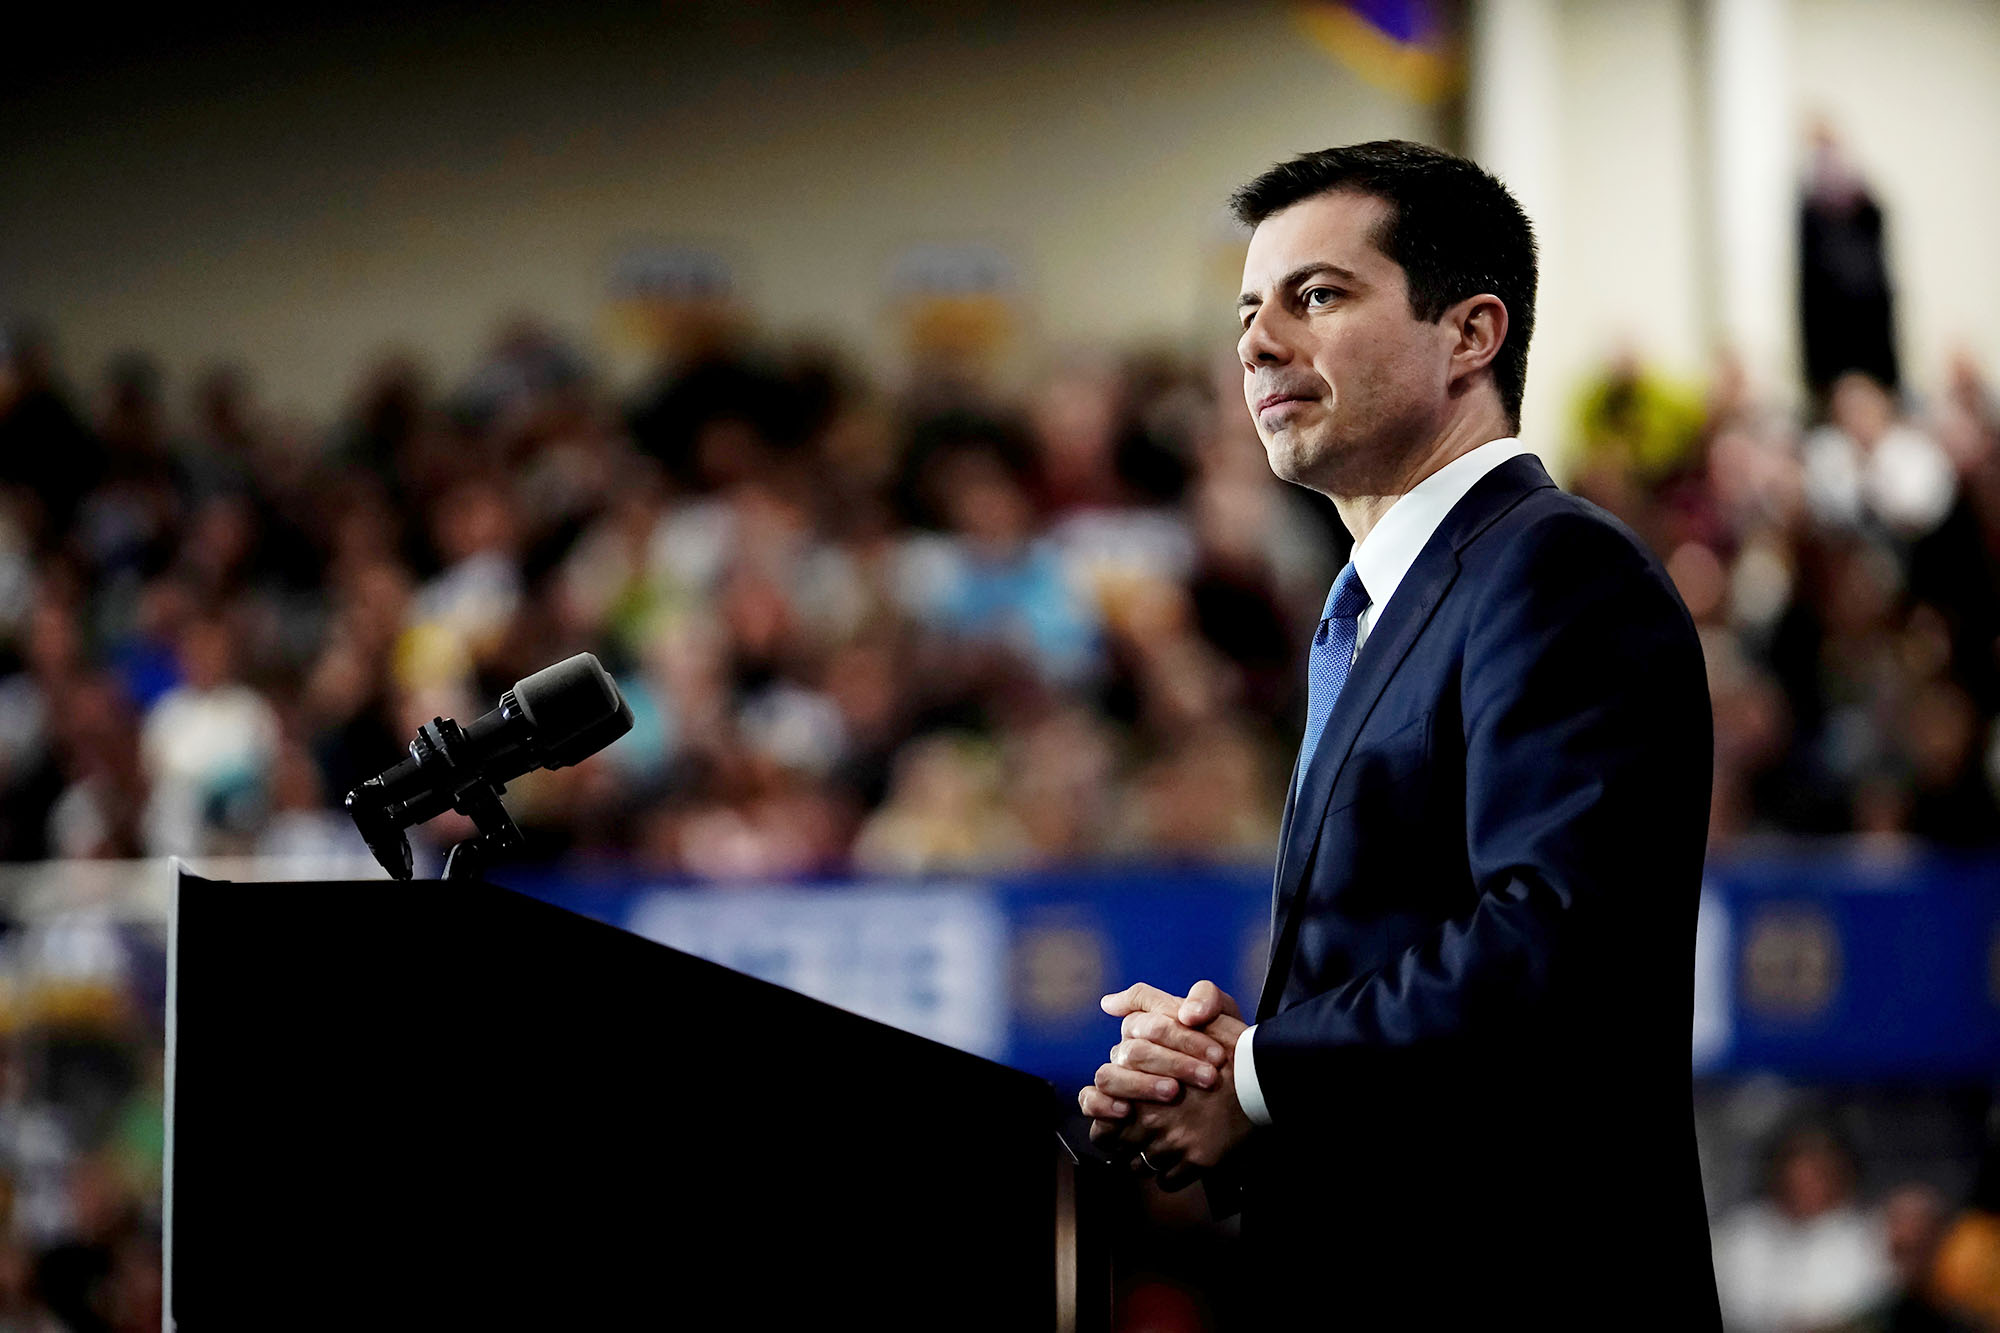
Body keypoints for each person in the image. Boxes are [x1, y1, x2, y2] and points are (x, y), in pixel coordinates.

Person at [1075, 141, 1722, 1326]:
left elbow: (1550, 950)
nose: (1257, 344)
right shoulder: (1376, 610)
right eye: (1246, 311)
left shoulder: (1553, 568)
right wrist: (1232, 1092)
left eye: (1315, 296)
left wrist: (1256, 1072)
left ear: (1469, 334)